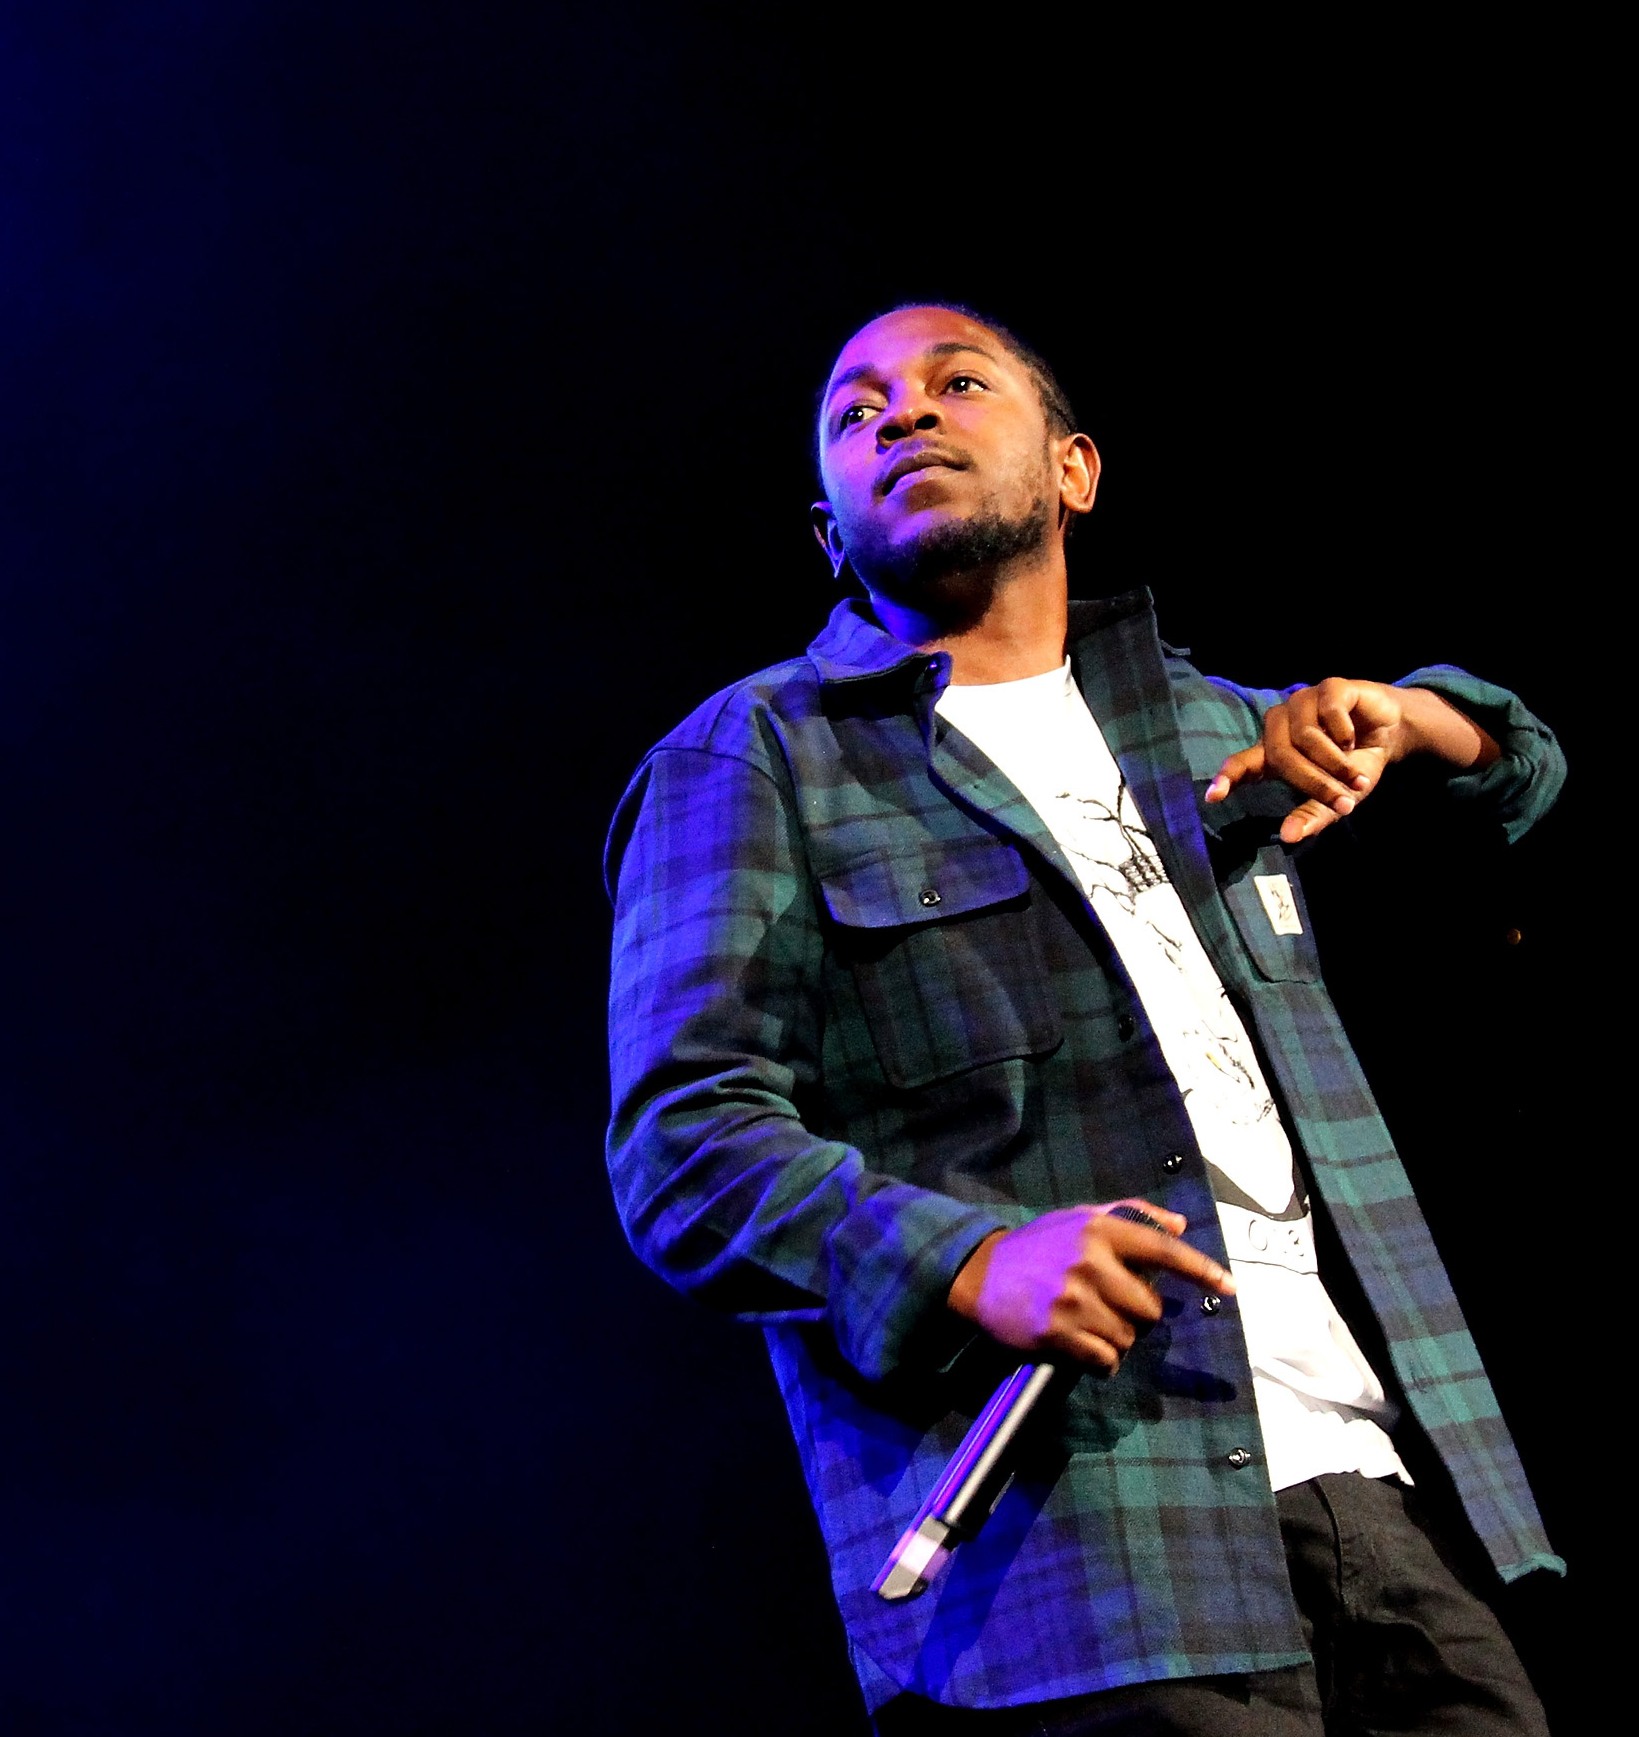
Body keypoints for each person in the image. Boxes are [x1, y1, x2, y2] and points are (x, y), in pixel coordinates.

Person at [604, 303, 1566, 1734]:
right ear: (828, 534)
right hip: (1078, 1540)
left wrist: (1422, 718)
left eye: (954, 382)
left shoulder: (1209, 735)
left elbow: (1521, 793)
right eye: (857, 412)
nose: (903, 415)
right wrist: (966, 1258)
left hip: (1370, 1489)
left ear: (1074, 470)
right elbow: (684, 1145)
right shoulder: (754, 758)